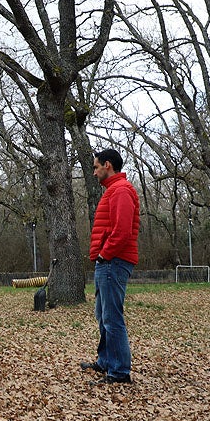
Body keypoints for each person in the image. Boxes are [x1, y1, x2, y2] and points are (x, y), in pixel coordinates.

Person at [83, 148, 140, 385]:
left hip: (113, 262)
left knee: (112, 317)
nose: (94, 173)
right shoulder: (113, 191)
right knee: (103, 314)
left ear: (107, 165)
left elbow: (122, 231)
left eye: (96, 167)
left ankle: (119, 372)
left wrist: (104, 254)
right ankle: (106, 361)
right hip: (107, 262)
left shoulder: (121, 191)